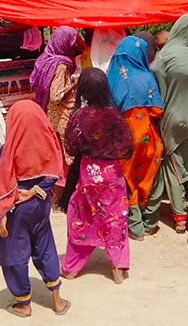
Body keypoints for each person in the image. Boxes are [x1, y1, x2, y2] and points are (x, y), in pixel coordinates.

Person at [0, 100, 69, 318]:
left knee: (15, 252)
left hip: (17, 208)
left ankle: (24, 304)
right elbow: (53, 175)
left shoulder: (9, 148)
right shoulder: (48, 142)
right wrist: (36, 191)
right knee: (45, 246)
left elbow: (4, 182)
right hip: (40, 206)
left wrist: (2, 215)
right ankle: (57, 300)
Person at [60, 68, 134, 284]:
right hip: (112, 174)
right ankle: (118, 268)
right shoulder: (114, 116)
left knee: (83, 216)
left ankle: (71, 268)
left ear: (83, 90)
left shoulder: (79, 117)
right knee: (115, 217)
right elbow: (126, 146)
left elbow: (71, 147)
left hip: (89, 174)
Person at [144, 13, 188, 234]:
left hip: (173, 118)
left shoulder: (166, 54)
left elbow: (155, 74)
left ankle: (180, 218)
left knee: (174, 168)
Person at [106, 36, 164, 240]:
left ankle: (135, 227)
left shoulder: (110, 78)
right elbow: (157, 111)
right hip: (147, 138)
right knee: (151, 177)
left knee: (127, 180)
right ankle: (150, 223)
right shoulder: (146, 77)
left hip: (123, 139)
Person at [29, 26, 85, 136]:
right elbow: (56, 97)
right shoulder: (61, 66)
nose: (74, 47)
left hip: (49, 113)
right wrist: (75, 84)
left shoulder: (45, 58)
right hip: (61, 118)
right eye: (72, 43)